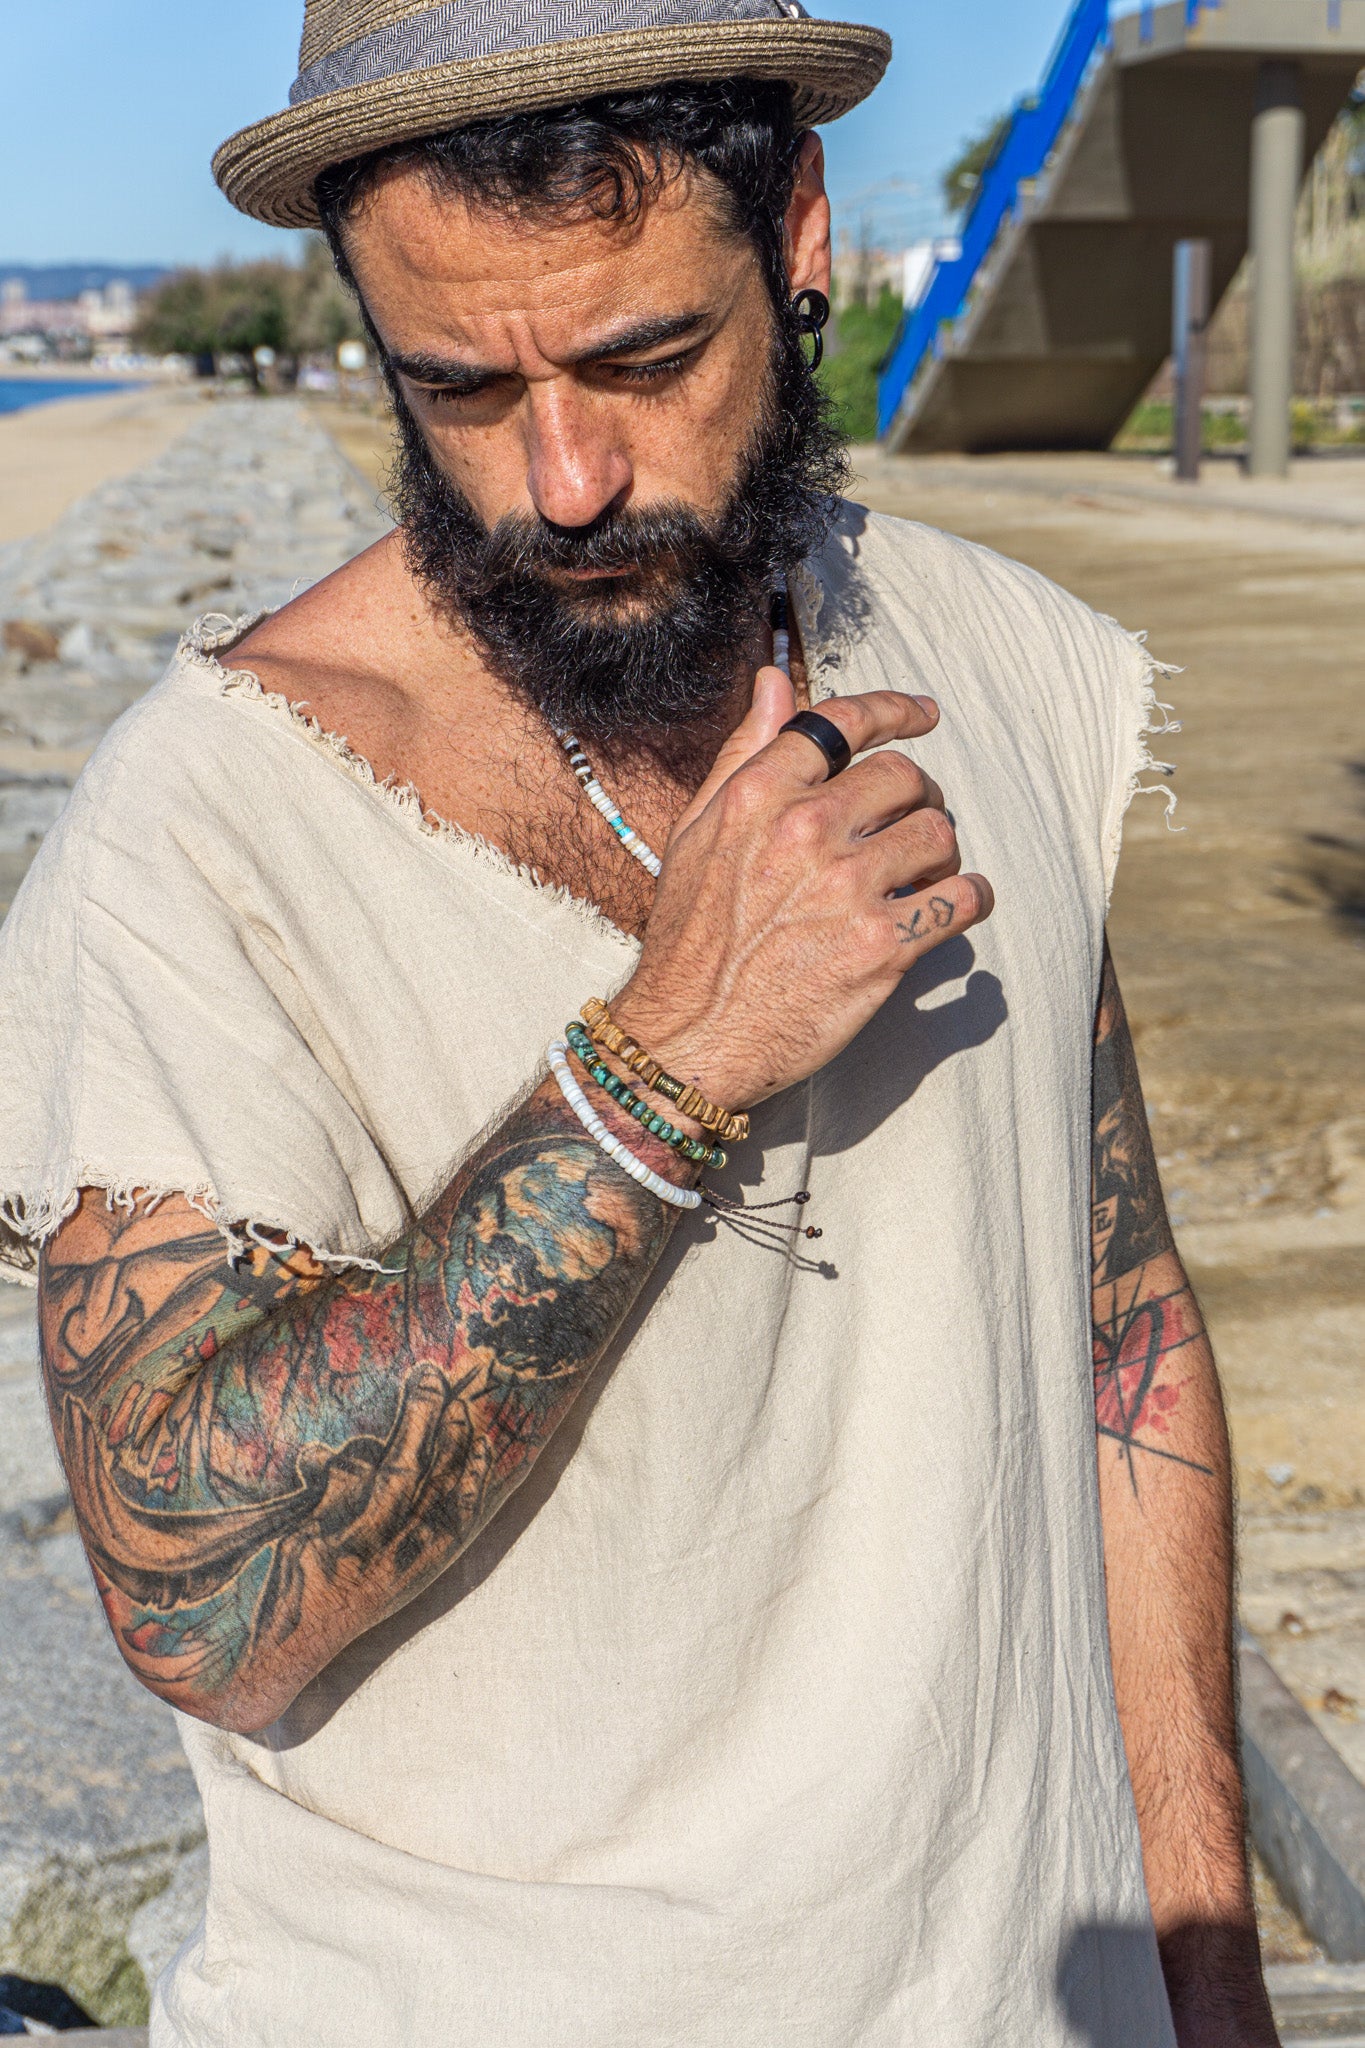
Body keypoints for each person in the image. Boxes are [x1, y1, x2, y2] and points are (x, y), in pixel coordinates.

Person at [0, 3, 1279, 2043]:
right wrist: (658, 1065)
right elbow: (193, 1590)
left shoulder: (1006, 669)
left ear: (798, 232)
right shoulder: (214, 821)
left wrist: (1204, 1965)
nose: (566, 479)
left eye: (641, 361)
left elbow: (1118, 1332)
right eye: (458, 387)